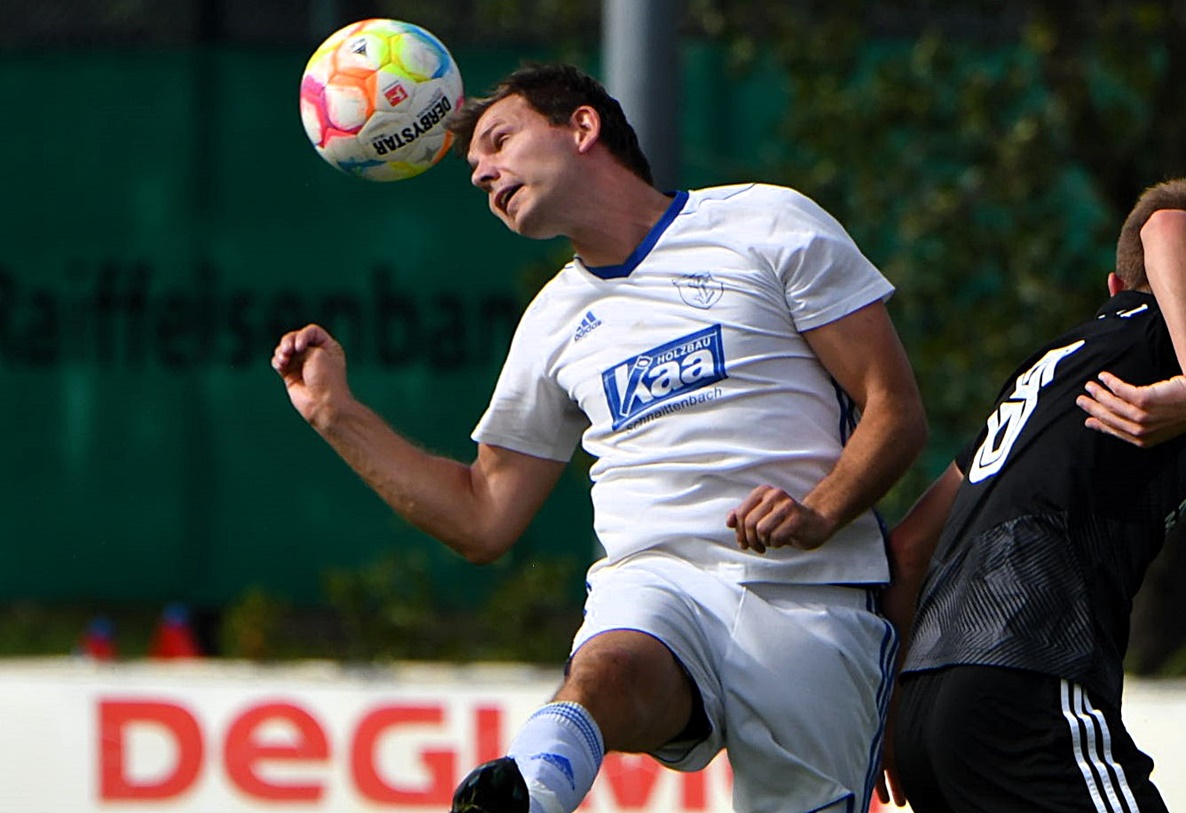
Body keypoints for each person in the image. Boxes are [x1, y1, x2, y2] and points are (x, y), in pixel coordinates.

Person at [272, 62, 927, 813]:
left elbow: (894, 407)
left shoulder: (764, 222)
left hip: (811, 598)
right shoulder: (552, 321)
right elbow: (484, 516)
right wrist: (336, 414)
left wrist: (820, 509)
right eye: (474, 168)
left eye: (498, 139)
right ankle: (529, 793)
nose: (482, 170)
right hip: (656, 580)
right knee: (602, 674)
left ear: (583, 127)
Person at [878, 177, 1186, 812]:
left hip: (924, 709)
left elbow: (908, 548)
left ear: (1111, 286)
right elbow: (1167, 224)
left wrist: (886, 716)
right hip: (1024, 679)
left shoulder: (1047, 374)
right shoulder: (1161, 334)